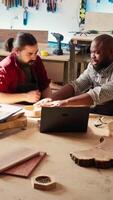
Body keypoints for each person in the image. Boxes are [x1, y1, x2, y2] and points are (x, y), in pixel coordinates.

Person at [36, 34, 113, 115]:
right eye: (91, 52)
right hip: (100, 111)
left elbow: (98, 94)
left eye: (97, 53)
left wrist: (66, 102)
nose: (92, 57)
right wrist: (50, 99)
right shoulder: (94, 65)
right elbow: (76, 85)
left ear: (111, 53)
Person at [0, 32, 52, 104]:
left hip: (36, 106)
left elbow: (44, 85)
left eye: (36, 52)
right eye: (30, 54)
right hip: (14, 108)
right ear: (17, 51)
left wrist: (48, 101)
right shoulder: (6, 67)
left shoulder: (37, 60)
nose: (34, 57)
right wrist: (26, 96)